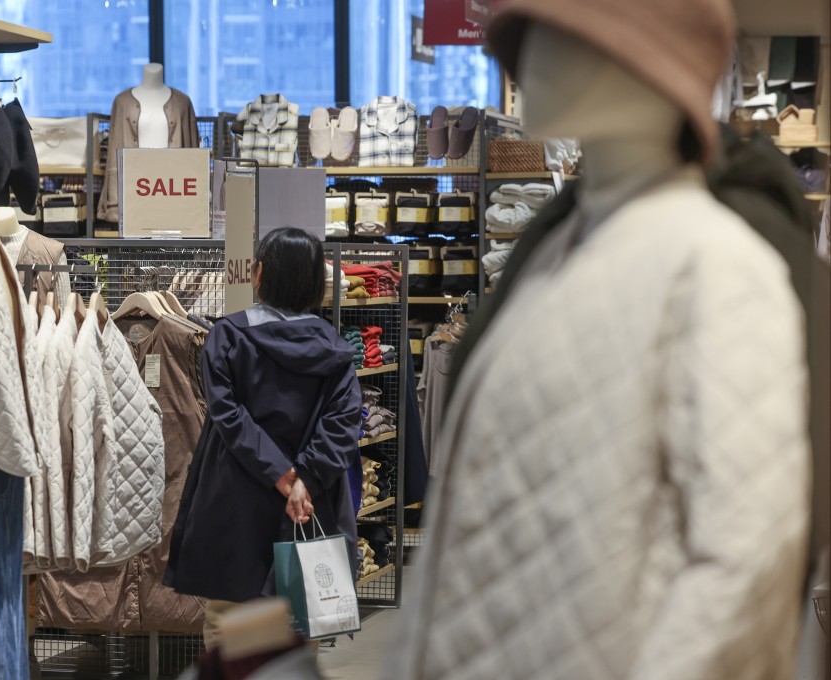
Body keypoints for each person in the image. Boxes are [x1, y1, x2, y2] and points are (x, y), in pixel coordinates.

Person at [386, 1, 812, 679]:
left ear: (647, 67)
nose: (529, 61)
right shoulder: (557, 255)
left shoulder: (718, 268)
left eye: (563, 37)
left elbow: (746, 561)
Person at [164, 227, 362, 649]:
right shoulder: (336, 349)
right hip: (310, 501)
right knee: (299, 615)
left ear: (259, 274)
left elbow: (227, 414)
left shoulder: (229, 336)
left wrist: (282, 475)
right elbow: (343, 422)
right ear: (314, 282)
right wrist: (303, 479)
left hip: (235, 491)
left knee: (229, 619)